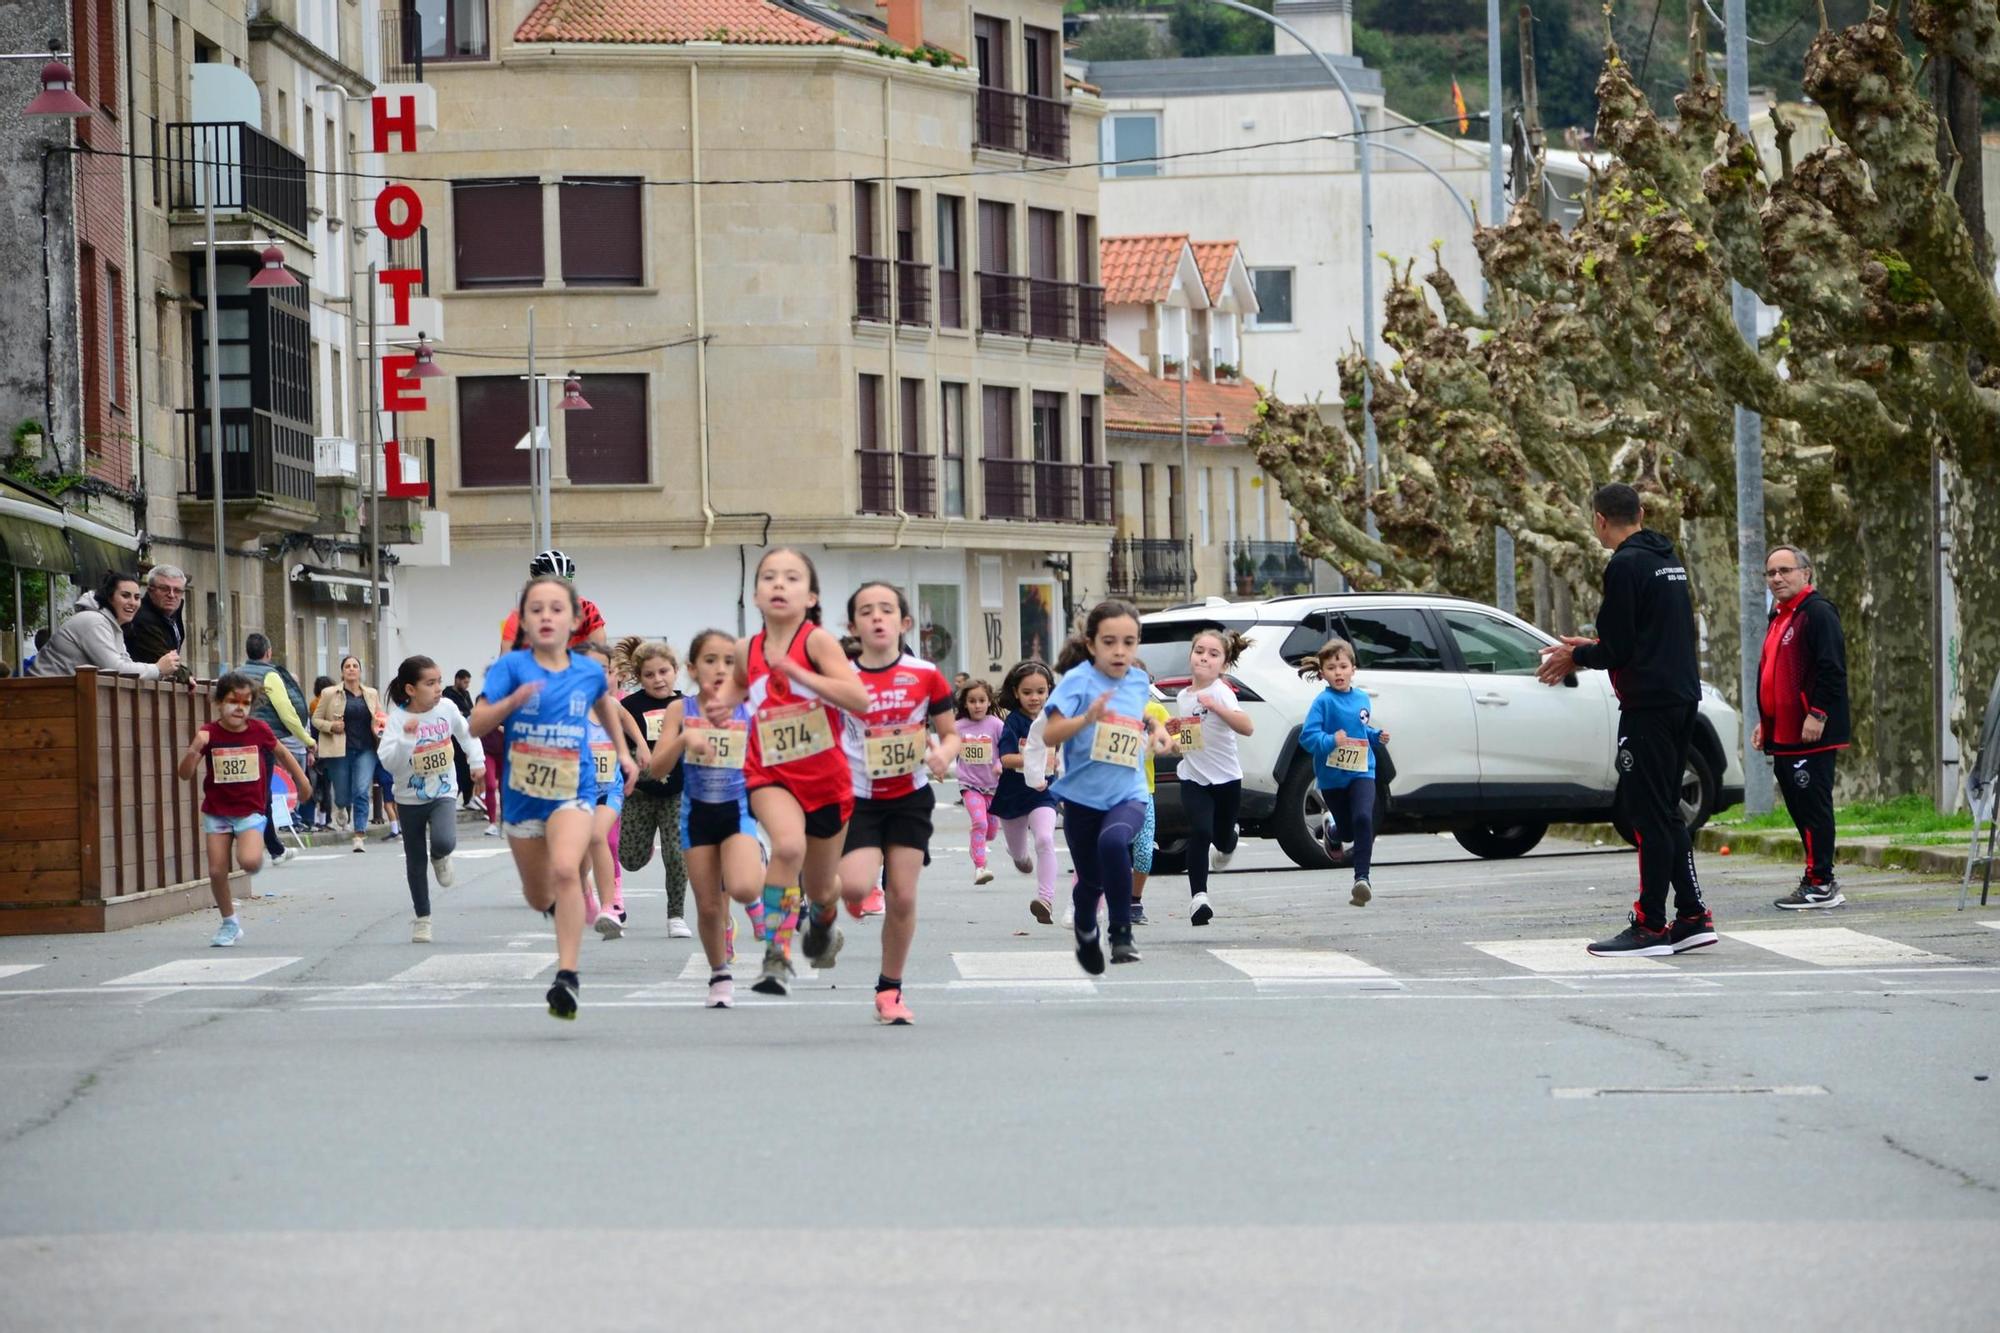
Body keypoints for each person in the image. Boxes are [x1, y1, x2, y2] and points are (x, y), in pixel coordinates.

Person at [1537, 481, 1714, 957]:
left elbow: (1618, 649)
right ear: (1642, 513)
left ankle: (1650, 925)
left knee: (1647, 815)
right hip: (1681, 697)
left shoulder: (1624, 564)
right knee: (1666, 809)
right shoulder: (1668, 559)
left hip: (1648, 705)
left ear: (1599, 519)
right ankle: (1692, 915)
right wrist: (1592, 648)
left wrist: (1577, 656)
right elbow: (1646, 634)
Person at [471, 575, 637, 1021]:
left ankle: (567, 976)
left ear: (574, 620)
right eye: (536, 609)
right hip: (523, 796)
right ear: (523, 621)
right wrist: (511, 703)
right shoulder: (510, 668)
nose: (546, 616)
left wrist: (623, 753)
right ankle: (551, 905)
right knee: (538, 894)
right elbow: (476, 724)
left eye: (556, 609)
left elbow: (605, 706)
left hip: (573, 788)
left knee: (567, 869)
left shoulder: (587, 670)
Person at [726, 548, 869, 997]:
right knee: (787, 847)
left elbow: (859, 699)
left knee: (821, 886)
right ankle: (776, 953)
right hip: (769, 773)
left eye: (791, 577)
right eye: (769, 577)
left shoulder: (817, 642)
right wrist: (717, 707)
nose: (779, 584)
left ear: (811, 597)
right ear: (755, 595)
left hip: (826, 781)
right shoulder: (746, 649)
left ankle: (823, 919)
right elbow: (735, 690)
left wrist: (800, 675)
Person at [835, 582, 960, 1026]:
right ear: (853, 626)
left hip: (910, 797)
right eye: (867, 611)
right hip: (860, 797)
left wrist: (944, 755)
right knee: (855, 886)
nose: (877, 617)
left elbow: (950, 734)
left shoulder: (926, 674)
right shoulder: (842, 678)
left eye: (886, 609)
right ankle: (850, 897)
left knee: (902, 896)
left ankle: (889, 990)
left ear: (904, 622)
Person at [1042, 600, 1170, 975]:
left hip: (1128, 791)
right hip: (1082, 797)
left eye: (1128, 642)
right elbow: (1051, 733)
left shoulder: (1137, 680)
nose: (1119, 651)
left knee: (1114, 842)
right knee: (1091, 881)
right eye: (1109, 642)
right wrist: (1087, 718)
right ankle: (1086, 930)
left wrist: (1157, 729)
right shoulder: (1077, 681)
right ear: (1091, 644)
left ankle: (1121, 933)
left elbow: (1139, 713)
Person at [646, 628, 764, 1008]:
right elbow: (657, 767)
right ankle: (720, 975)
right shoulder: (680, 710)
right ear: (693, 669)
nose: (720, 668)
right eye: (710, 660)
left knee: (742, 887)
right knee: (710, 906)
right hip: (696, 815)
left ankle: (759, 875)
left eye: (729, 661)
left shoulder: (749, 705)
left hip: (737, 809)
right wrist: (685, 738)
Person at [176, 672, 313, 948]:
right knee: (216, 871)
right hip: (217, 811)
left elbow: (283, 754)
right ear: (219, 703)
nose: (239, 708)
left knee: (249, 862)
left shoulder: (259, 730)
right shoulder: (209, 733)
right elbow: (185, 774)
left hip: (250, 810)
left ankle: (257, 844)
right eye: (232, 701)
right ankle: (229, 923)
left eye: (245, 703)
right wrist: (195, 748)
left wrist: (302, 782)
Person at [1754, 544, 1852, 909]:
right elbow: (1771, 673)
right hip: (1783, 733)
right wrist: (1765, 722)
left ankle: (1821, 883)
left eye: (1785, 571)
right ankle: (1816, 877)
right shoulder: (1779, 615)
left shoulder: (1817, 612)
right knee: (1799, 807)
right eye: (1771, 573)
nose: (1777, 578)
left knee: (1813, 806)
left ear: (1805, 573)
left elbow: (1832, 668)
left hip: (1811, 733)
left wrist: (1818, 713)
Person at [376, 655, 483, 944]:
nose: (438, 689)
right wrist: (407, 740)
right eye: (430, 683)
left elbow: (467, 734)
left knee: (444, 841)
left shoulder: (447, 708)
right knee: (415, 860)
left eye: (439, 682)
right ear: (411, 689)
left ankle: (440, 855)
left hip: (443, 790)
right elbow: (389, 763)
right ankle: (423, 918)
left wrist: (476, 761)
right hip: (409, 798)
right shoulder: (397, 720)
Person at [1173, 628, 1256, 926]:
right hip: (1193, 778)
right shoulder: (1183, 697)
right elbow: (1189, 739)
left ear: (1224, 664)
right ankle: (1199, 898)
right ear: (1191, 656)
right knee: (1200, 831)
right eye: (1199, 651)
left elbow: (1247, 727)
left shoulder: (1221, 691)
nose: (1204, 658)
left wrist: (1216, 707)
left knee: (1221, 840)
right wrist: (1175, 735)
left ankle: (1229, 839)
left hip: (1226, 780)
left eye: (1213, 654)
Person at [614, 636, 693, 938]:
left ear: (675, 671)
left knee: (676, 855)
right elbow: (615, 742)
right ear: (639, 677)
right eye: (649, 674)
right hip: (640, 794)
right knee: (630, 860)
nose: (658, 679)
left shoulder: (687, 706)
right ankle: (644, 847)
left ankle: (676, 916)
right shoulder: (629, 707)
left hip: (677, 793)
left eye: (663, 672)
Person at [1299, 638, 1387, 907]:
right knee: (1347, 832)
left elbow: (1361, 730)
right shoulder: (1323, 702)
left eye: (1343, 666)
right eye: (1331, 668)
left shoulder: (1362, 698)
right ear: (1322, 673)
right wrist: (1331, 740)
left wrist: (1375, 736)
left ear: (1353, 669)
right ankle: (1334, 831)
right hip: (1332, 778)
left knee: (1363, 818)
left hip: (1363, 771)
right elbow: (1307, 737)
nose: (1338, 672)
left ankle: (1362, 879)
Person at [577, 641, 642, 937]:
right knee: (580, 859)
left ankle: (609, 908)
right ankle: (585, 891)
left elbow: (627, 719)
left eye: (603, 670)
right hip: (576, 794)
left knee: (597, 836)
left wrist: (640, 748)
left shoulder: (611, 705)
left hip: (608, 790)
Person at [237, 632, 317, 866]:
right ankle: (269, 848)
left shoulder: (235, 673)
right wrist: (307, 739)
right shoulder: (270, 675)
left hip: (236, 740)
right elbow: (286, 711)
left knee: (250, 793)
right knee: (262, 796)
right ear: (268, 652)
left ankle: (274, 848)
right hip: (262, 741)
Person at [993, 661, 1061, 923]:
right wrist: (1034, 757)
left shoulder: (1055, 718)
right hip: (1013, 795)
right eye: (1027, 692)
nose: (1035, 698)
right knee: (1021, 855)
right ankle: (1018, 856)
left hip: (1043, 793)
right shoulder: (1014, 722)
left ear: (1049, 690)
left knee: (1044, 840)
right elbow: (1006, 759)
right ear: (1016, 692)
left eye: (1041, 691)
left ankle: (1045, 899)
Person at [29, 571, 180, 679]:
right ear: (109, 597)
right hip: (41, 697)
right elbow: (115, 669)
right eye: (125, 595)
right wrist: (157, 668)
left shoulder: (112, 625)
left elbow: (125, 664)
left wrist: (161, 672)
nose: (132, 603)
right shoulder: (94, 621)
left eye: (136, 597)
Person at [312, 655, 383, 851]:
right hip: (339, 750)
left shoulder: (371, 694)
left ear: (360, 671)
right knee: (342, 795)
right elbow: (316, 719)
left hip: (366, 749)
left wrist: (381, 725)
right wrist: (331, 726)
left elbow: (380, 717)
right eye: (347, 666)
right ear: (342, 672)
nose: (351, 669)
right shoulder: (329, 693)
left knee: (361, 791)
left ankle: (359, 834)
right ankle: (341, 807)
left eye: (355, 666)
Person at [497, 549, 609, 656]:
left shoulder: (586, 609)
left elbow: (600, 651)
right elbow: (506, 659)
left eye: (565, 582)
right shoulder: (520, 616)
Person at [1123, 692, 1173, 927]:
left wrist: (1170, 741)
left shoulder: (1156, 711)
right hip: (1111, 793)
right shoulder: (1109, 708)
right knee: (1116, 848)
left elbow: (1175, 742)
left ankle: (1135, 900)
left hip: (1144, 791)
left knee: (1144, 851)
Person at [954, 678, 1004, 886]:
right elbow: (949, 747)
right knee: (980, 823)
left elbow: (1006, 749)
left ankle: (977, 840)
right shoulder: (958, 727)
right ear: (965, 704)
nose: (977, 705)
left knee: (990, 831)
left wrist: (1000, 763)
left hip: (993, 787)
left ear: (989, 702)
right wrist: (940, 766)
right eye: (972, 701)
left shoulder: (996, 725)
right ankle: (980, 867)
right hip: (969, 784)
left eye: (981, 700)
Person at [123, 565, 188, 674]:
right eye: (164, 589)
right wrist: (187, 676)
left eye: (177, 590)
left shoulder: (173, 615)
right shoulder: (142, 618)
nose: (171, 595)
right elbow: (164, 660)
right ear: (150, 590)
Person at [444, 668, 478, 811]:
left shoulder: (466, 694)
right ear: (457, 680)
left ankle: (467, 799)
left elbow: (470, 710)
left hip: (466, 733)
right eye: (465, 682)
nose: (466, 685)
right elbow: (453, 714)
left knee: (468, 767)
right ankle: (454, 798)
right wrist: (463, 714)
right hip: (453, 737)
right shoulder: (447, 694)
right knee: (458, 768)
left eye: (468, 683)